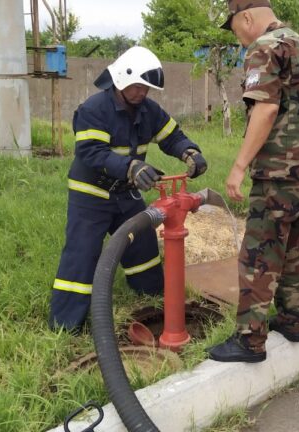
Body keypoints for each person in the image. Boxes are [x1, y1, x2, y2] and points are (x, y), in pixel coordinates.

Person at [49, 46, 208, 333]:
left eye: (146, 88)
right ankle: (66, 324)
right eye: (136, 86)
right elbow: (91, 152)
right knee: (82, 255)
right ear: (120, 79)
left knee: (143, 247)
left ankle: (151, 299)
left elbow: (172, 136)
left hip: (126, 194)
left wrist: (190, 153)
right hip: (91, 195)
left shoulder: (149, 110)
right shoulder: (94, 109)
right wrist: (131, 167)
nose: (141, 92)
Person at [207, 0, 299, 362]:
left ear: (245, 17)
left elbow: (266, 108)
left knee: (259, 252)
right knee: (291, 247)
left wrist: (238, 166)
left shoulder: (264, 46)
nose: (238, 39)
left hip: (279, 172)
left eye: (235, 30)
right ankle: (292, 321)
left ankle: (250, 340)